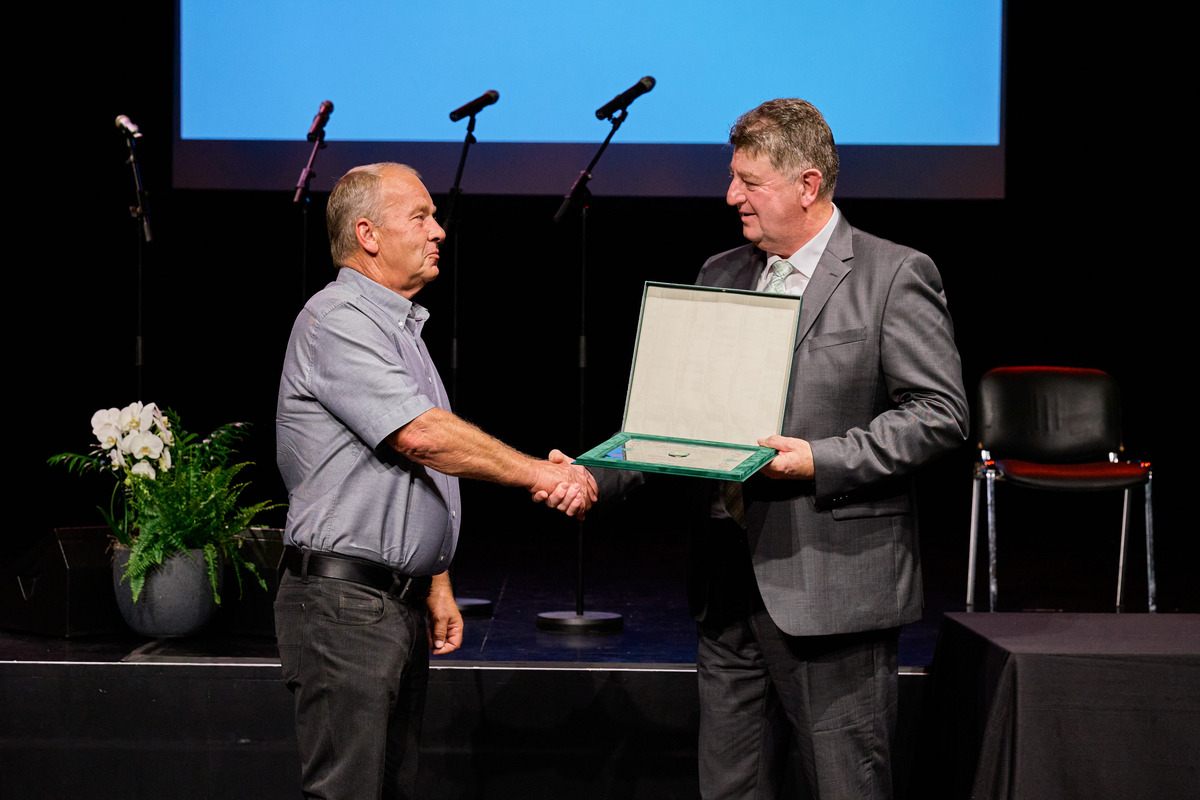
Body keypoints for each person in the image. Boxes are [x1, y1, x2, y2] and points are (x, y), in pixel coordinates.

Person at [545, 98, 968, 799]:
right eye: (732, 177)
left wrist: (819, 459)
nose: (731, 196)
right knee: (730, 787)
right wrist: (593, 476)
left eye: (749, 181)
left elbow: (939, 414)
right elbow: (675, 420)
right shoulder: (721, 271)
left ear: (807, 184)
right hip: (726, 585)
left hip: (831, 588)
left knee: (846, 786)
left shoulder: (893, 275)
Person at [274, 162, 594, 800]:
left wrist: (434, 578)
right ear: (368, 235)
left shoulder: (398, 328)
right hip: (345, 607)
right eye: (420, 217)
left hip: (387, 602)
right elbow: (422, 437)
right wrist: (539, 472)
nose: (438, 230)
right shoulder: (337, 318)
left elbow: (412, 470)